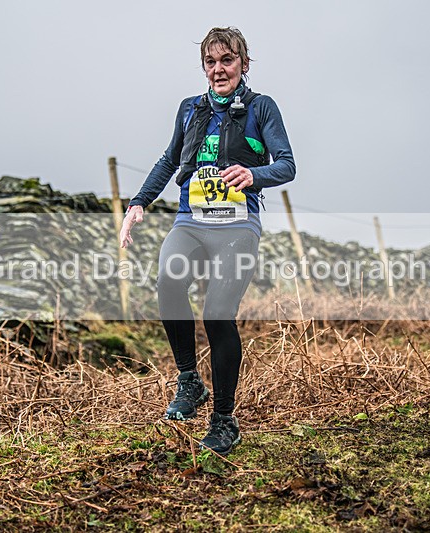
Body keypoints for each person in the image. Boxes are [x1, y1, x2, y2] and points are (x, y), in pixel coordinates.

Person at [120, 27, 295, 455]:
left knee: (217, 314)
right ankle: (189, 381)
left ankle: (224, 421)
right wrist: (138, 202)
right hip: (191, 221)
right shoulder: (189, 109)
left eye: (227, 61)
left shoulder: (261, 107)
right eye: (211, 62)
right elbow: (169, 159)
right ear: (204, 67)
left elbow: (287, 164)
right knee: (168, 280)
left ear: (243, 64)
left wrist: (254, 174)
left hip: (237, 227)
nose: (219, 69)